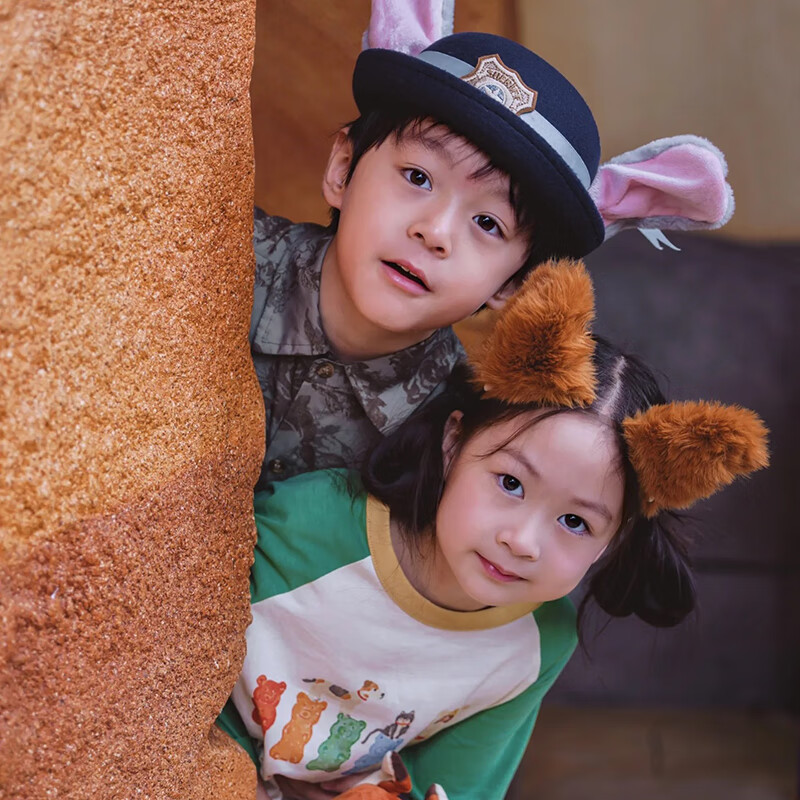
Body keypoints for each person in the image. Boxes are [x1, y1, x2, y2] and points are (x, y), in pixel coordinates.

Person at [220, 261, 768, 799]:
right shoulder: (310, 524)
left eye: (575, 522)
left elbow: (454, 787)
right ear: (453, 443)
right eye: (510, 483)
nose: (522, 541)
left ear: (613, 542)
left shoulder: (538, 644)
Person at [250, 31, 612, 491]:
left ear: (513, 284)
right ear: (343, 169)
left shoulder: (457, 444)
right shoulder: (217, 252)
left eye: (488, 223)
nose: (435, 232)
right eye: (418, 177)